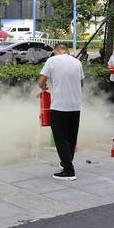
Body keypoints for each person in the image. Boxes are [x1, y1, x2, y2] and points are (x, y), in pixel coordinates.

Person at [38, 43, 84, 180]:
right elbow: (81, 84)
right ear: (67, 51)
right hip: (75, 106)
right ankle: (65, 162)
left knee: (60, 138)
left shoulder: (52, 60)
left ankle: (69, 171)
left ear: (56, 50)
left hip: (59, 106)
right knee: (71, 138)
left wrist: (44, 87)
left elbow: (41, 82)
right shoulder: (77, 62)